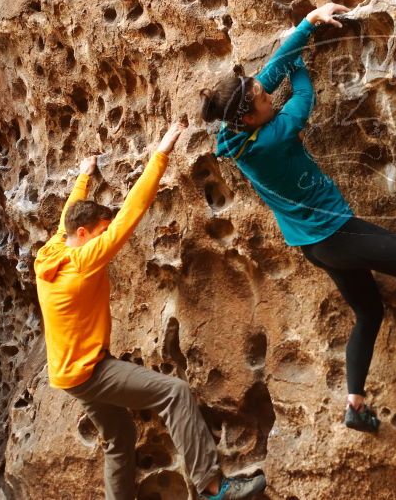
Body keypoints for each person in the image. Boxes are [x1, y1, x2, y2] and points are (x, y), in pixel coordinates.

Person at [200, 3, 396, 434]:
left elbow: (268, 74)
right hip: (337, 233)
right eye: (265, 98)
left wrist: (307, 24)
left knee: (369, 312)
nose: (269, 93)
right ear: (252, 115)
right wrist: (301, 62)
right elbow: (303, 96)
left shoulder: (233, 130)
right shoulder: (273, 137)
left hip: (312, 245)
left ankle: (355, 405)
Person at [34, 121, 265, 499]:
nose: (105, 235)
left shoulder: (52, 253)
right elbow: (131, 212)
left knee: (119, 438)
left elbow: (67, 219)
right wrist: (162, 151)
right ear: (85, 235)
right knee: (174, 393)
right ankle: (214, 487)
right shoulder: (85, 260)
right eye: (100, 230)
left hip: (66, 372)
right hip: (89, 372)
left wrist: (83, 177)